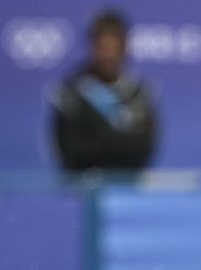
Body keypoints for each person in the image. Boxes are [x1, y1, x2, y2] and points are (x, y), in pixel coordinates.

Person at [51, 10, 158, 171]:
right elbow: (71, 149)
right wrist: (120, 137)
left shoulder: (139, 93)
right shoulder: (71, 93)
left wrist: (98, 137)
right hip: (84, 187)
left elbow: (143, 146)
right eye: (102, 48)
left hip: (128, 188)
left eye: (112, 48)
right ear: (91, 47)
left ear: (124, 48)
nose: (107, 56)